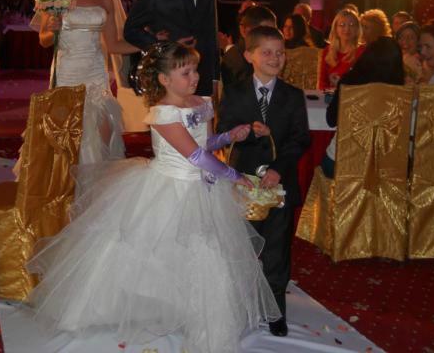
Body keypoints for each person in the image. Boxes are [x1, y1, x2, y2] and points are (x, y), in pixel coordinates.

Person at [26, 42, 279, 352]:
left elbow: (205, 143)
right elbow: (195, 155)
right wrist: (236, 176)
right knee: (153, 251)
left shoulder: (200, 103)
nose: (194, 77)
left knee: (204, 254)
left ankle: (202, 320)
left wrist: (228, 136)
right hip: (171, 188)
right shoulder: (163, 114)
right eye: (185, 73)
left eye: (195, 70)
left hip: (202, 187)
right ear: (164, 79)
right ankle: (110, 308)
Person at [218, 26, 310, 337]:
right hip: (244, 183)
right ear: (249, 56)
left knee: (277, 249)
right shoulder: (235, 92)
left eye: (280, 52)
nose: (275, 58)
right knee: (241, 245)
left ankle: (275, 310)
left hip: (279, 184)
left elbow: (300, 139)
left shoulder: (292, 96)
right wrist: (247, 132)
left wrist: (278, 169)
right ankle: (239, 303)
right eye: (267, 52)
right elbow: (224, 131)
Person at [34, 0, 139, 164]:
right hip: (68, 72)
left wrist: (147, 43)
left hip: (96, 73)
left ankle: (97, 181)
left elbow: (113, 45)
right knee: (70, 135)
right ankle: (67, 181)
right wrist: (52, 30)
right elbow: (43, 40)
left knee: (102, 131)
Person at [321, 37, 405, 178]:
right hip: (384, 165)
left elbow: (331, 120)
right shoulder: (401, 93)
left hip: (341, 161)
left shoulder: (350, 82)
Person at [221, 5, 276, 87]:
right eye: (264, 32)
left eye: (273, 31)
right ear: (244, 31)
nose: (271, 36)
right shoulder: (237, 59)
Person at [318, 9, 365, 90]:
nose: (347, 29)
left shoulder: (362, 52)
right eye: (342, 25)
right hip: (329, 96)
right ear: (336, 29)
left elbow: (363, 84)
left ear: (357, 28)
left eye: (351, 25)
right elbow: (322, 83)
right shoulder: (327, 51)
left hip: (353, 96)